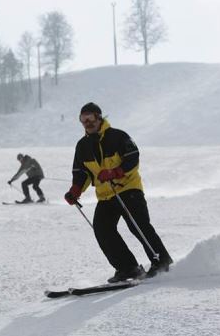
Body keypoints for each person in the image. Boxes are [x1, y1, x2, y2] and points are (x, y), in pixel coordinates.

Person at [64, 102, 173, 283]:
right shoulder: (82, 146)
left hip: (128, 189)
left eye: (90, 119)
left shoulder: (118, 136)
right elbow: (81, 172)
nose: (87, 123)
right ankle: (127, 268)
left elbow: (132, 157)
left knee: (137, 225)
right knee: (102, 229)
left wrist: (116, 172)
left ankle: (161, 261)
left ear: (99, 118)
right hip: (106, 195)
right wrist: (75, 191)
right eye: (83, 120)